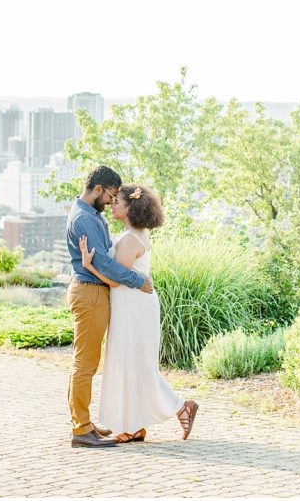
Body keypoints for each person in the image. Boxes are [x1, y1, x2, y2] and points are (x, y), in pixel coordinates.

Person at [80, 183, 199, 443]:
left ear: (131, 208)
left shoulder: (131, 239)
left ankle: (179, 407)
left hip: (133, 305)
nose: (112, 205)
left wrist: (89, 266)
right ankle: (136, 425)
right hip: (133, 304)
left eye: (117, 203)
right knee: (134, 365)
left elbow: (114, 280)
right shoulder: (134, 235)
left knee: (135, 365)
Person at [66, 166, 153, 449]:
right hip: (90, 292)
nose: (110, 201)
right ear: (99, 189)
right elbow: (103, 263)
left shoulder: (90, 216)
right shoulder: (85, 219)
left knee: (87, 362)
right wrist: (137, 280)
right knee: (85, 363)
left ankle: (86, 423)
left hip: (95, 292)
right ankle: (80, 429)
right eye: (110, 196)